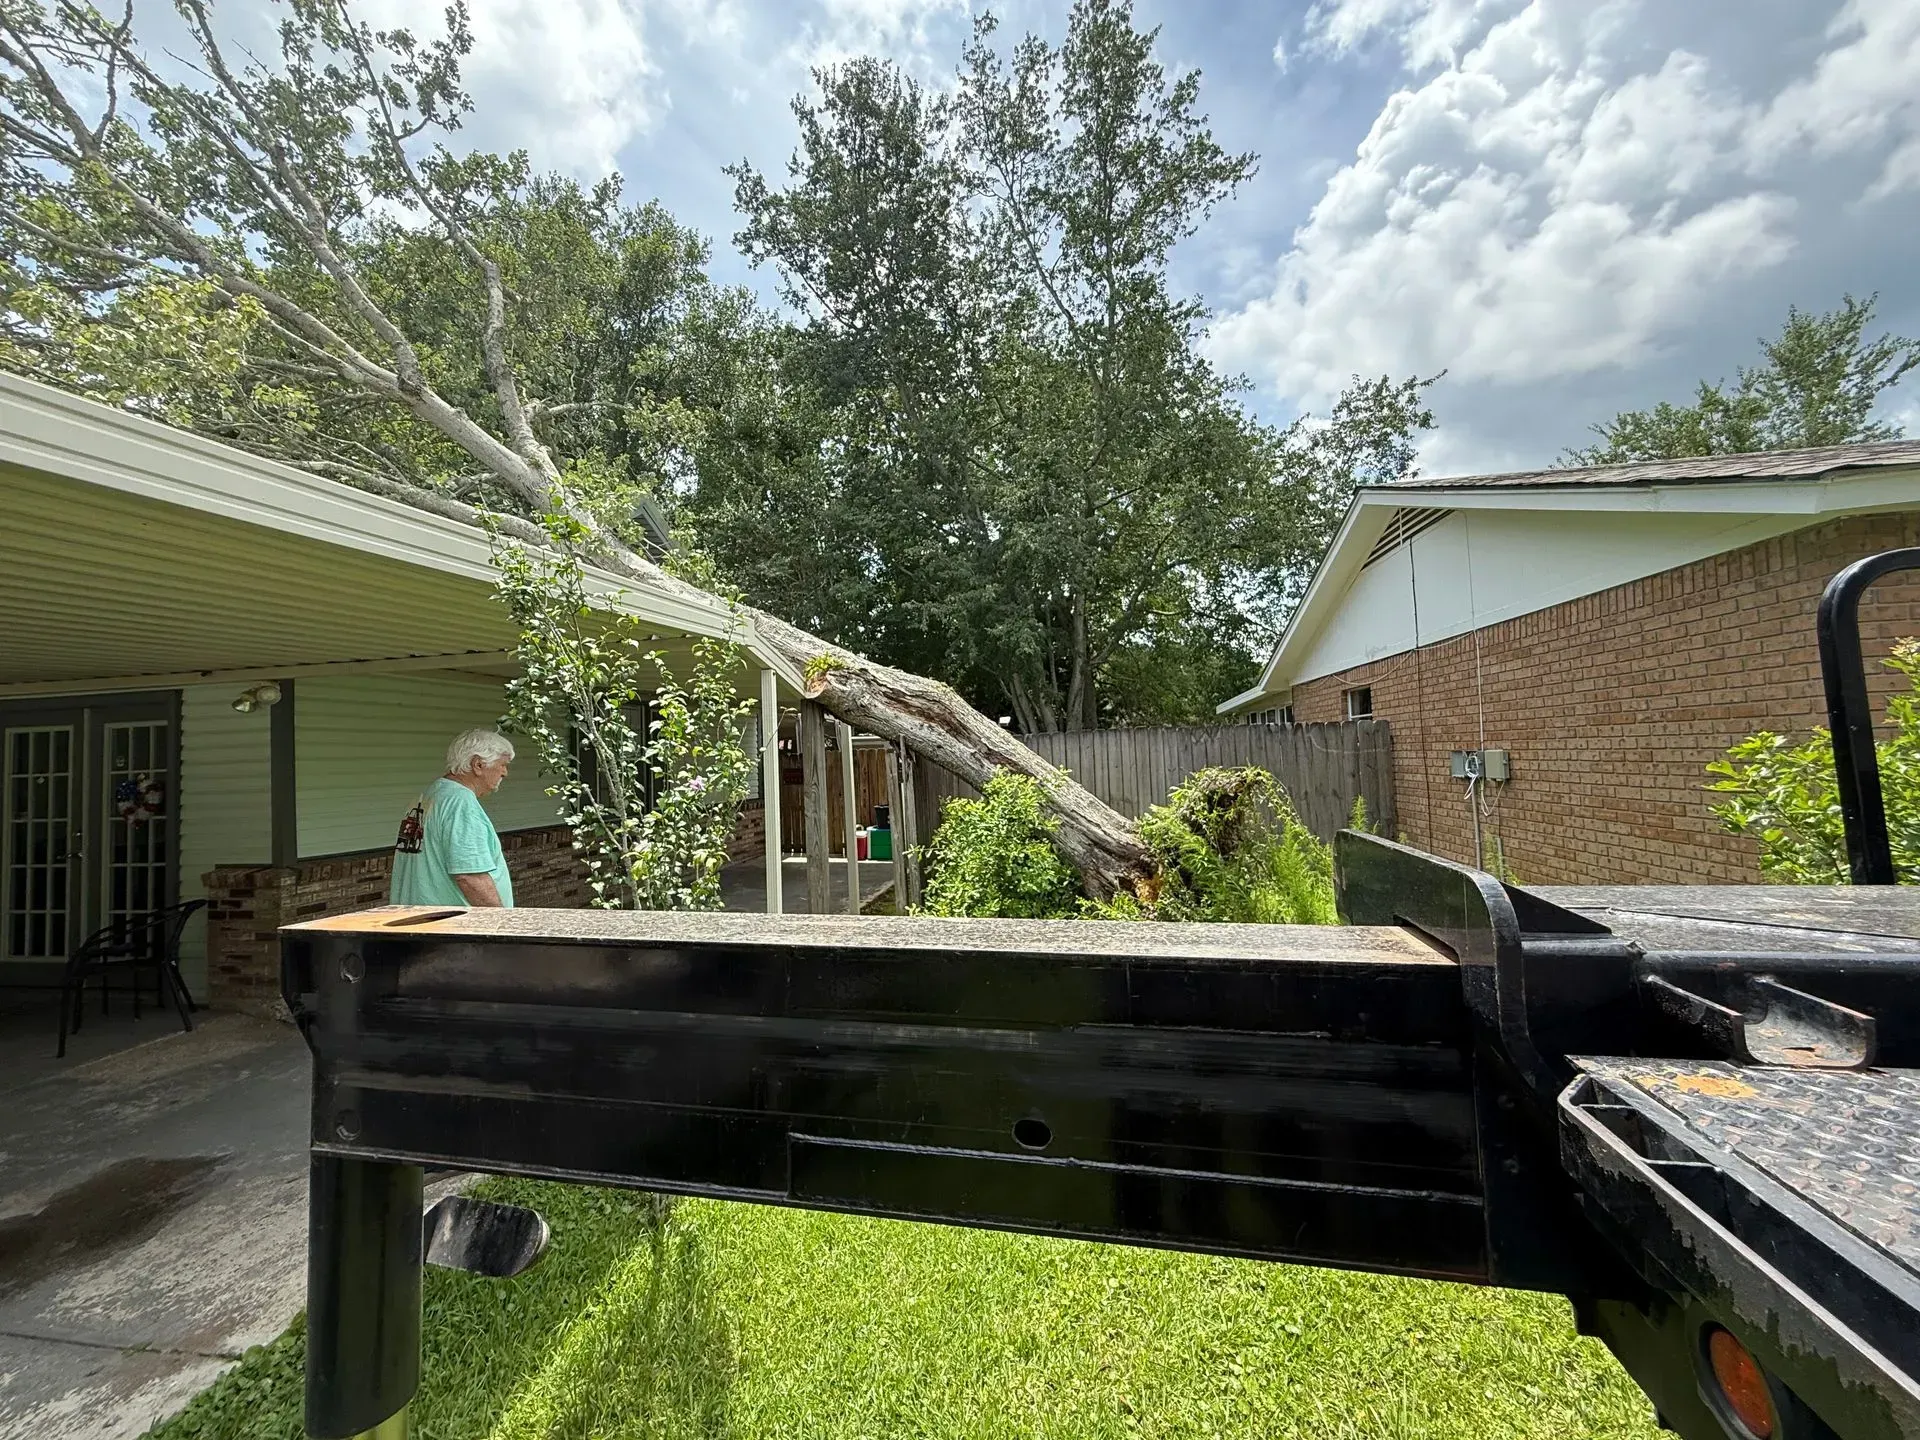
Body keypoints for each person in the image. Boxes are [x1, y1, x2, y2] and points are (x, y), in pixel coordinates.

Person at [389, 728, 516, 908]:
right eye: (502, 764)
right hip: (450, 928)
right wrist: (502, 924)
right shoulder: (461, 805)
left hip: (418, 923)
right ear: (478, 765)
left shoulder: (428, 795)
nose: (505, 773)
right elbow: (470, 876)